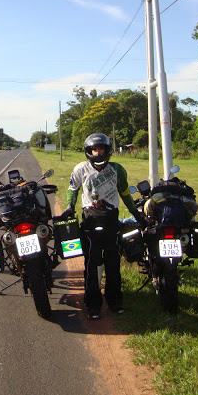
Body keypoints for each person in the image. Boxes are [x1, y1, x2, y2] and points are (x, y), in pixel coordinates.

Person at [62, 132, 144, 319]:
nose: (98, 153)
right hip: (90, 221)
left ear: (107, 150)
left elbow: (124, 193)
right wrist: (69, 208)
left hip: (111, 220)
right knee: (91, 264)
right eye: (94, 149)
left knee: (113, 264)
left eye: (101, 149)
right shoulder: (80, 169)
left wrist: (135, 213)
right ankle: (93, 304)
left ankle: (115, 302)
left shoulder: (117, 169)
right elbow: (72, 189)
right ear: (88, 151)